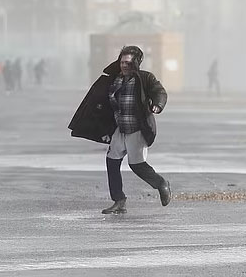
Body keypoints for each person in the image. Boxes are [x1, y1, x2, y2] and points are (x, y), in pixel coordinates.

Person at [68, 45, 172, 213]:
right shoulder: (113, 79)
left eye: (128, 63)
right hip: (119, 128)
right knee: (112, 161)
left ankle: (161, 184)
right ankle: (119, 200)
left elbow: (159, 92)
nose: (124, 66)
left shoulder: (145, 78)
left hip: (137, 129)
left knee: (137, 165)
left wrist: (157, 106)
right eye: (122, 62)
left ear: (136, 64)